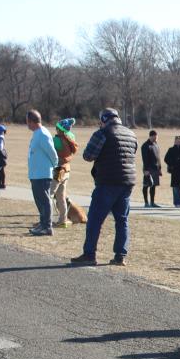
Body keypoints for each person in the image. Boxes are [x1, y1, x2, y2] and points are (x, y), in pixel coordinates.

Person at [71, 108, 138, 266]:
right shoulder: (131, 134)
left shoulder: (102, 133)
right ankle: (120, 256)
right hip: (127, 182)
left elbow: (88, 156)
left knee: (95, 219)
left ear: (103, 120)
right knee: (122, 220)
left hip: (107, 182)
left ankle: (89, 255)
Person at [26, 110, 59, 235]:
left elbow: (52, 154)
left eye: (27, 121)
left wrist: (54, 167)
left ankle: (47, 226)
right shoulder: (37, 133)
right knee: (39, 201)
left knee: (44, 200)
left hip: (43, 174)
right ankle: (43, 223)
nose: (27, 124)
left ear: (32, 121)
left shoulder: (43, 134)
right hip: (35, 174)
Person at [51, 118, 78, 228]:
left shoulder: (56, 140)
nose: (56, 130)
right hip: (67, 169)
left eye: (57, 128)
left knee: (49, 194)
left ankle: (46, 220)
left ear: (60, 129)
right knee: (61, 196)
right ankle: (63, 220)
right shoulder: (71, 137)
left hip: (59, 169)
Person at [140, 130, 162, 207]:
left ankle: (152, 202)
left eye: (156, 137)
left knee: (153, 185)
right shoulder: (145, 146)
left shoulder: (156, 145)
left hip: (155, 169)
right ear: (151, 136)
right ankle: (146, 203)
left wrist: (159, 168)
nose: (156, 138)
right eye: (155, 137)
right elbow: (145, 159)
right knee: (146, 185)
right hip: (148, 169)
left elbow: (158, 158)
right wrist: (146, 170)